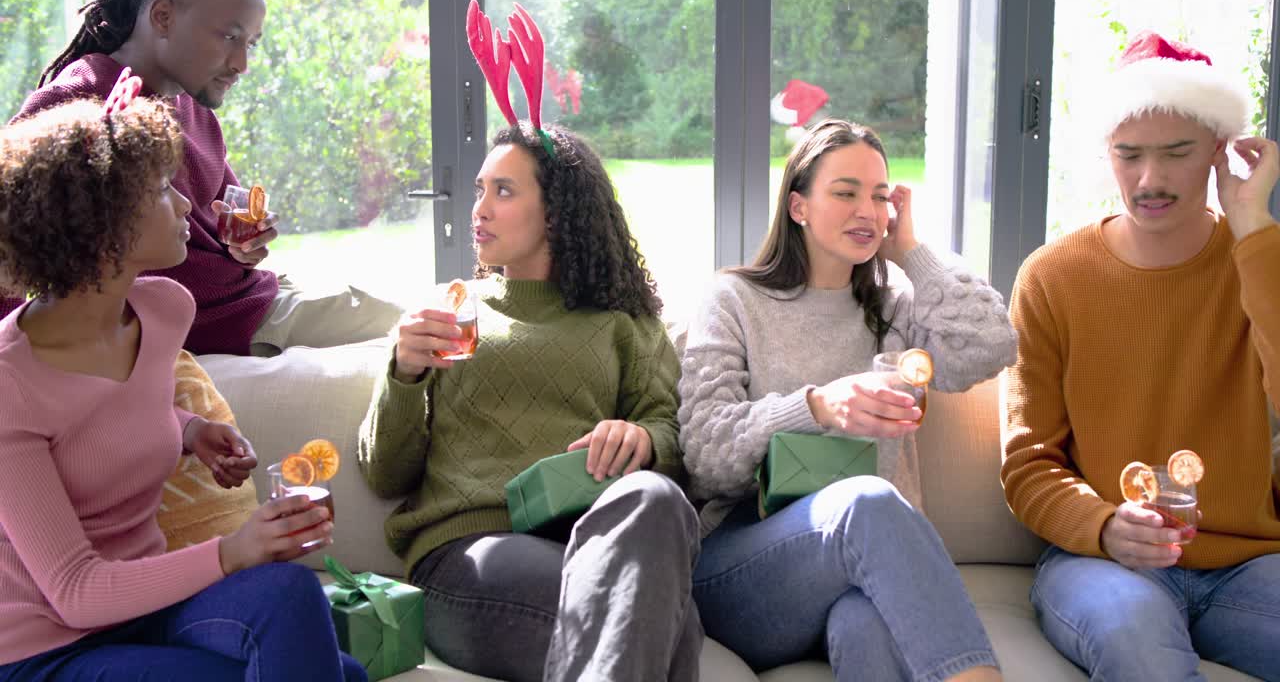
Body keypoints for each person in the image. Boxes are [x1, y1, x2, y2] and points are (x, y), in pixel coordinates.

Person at [0, 82, 363, 680]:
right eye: (163, 189)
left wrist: (191, 430)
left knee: (291, 597)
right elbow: (75, 591)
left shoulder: (163, 311)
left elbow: (108, 406)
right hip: (44, 646)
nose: (185, 205)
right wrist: (233, 551)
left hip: (146, 605)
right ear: (101, 226)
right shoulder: (11, 384)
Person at [358, 122, 702, 682]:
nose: (480, 210)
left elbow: (672, 437)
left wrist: (642, 440)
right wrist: (404, 372)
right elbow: (384, 473)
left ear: (558, 212)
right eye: (479, 189)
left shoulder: (626, 324)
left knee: (655, 497)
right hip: (469, 552)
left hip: (592, 540)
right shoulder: (452, 313)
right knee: (675, 627)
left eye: (504, 191)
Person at [678, 118, 1015, 681]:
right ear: (798, 207)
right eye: (845, 193)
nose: (868, 211)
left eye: (880, 196)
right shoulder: (733, 298)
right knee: (868, 500)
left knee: (866, 626)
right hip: (746, 570)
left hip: (861, 577)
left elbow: (991, 345)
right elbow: (706, 457)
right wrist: (817, 407)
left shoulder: (896, 306)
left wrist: (911, 251)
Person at [1001, 31, 1280, 682]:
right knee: (1139, 649)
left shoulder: (1261, 263)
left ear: (1219, 152)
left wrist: (1252, 225)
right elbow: (1028, 467)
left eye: (1177, 154)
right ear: (1107, 156)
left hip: (1248, 559)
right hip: (1101, 563)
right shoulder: (1051, 278)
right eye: (1129, 156)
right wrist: (1103, 526)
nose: (1149, 180)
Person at [0, 0, 401, 356]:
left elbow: (225, 217)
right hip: (213, 326)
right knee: (404, 322)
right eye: (230, 36)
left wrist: (247, 240)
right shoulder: (79, 103)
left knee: (409, 315)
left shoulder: (195, 109)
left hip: (251, 299)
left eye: (251, 43)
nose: (242, 64)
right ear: (163, 17)